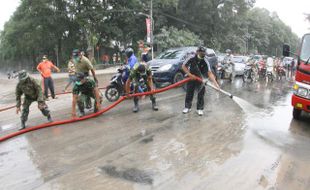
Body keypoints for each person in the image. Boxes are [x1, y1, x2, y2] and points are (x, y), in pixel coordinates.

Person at [182, 46, 220, 116]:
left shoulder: (205, 60)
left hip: (201, 79)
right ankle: (187, 107)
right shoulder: (191, 57)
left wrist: (215, 84)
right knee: (189, 92)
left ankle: (199, 109)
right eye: (201, 52)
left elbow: (209, 73)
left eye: (204, 53)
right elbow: (184, 66)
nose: (203, 54)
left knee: (201, 93)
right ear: (197, 52)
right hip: (191, 77)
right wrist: (189, 74)